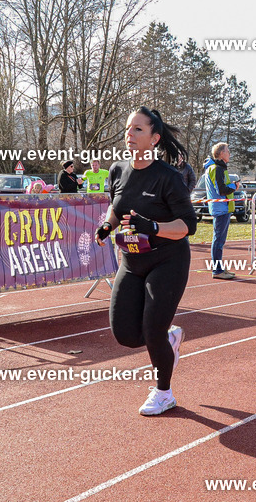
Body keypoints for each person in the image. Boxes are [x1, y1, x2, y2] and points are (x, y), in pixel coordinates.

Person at [95, 107, 198, 415]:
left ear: (154, 139)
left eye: (138, 130)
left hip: (167, 260)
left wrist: (153, 227)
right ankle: (168, 338)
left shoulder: (168, 177)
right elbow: (117, 207)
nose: (130, 134)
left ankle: (164, 392)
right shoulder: (118, 170)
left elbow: (188, 226)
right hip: (131, 260)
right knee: (125, 335)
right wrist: (107, 226)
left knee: (151, 331)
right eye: (128, 128)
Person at [204, 142, 241, 280]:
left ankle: (219, 267)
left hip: (222, 208)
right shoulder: (217, 169)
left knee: (219, 240)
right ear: (221, 153)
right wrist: (234, 186)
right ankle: (217, 269)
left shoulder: (216, 168)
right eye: (227, 151)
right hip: (221, 209)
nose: (229, 153)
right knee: (218, 240)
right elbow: (221, 190)